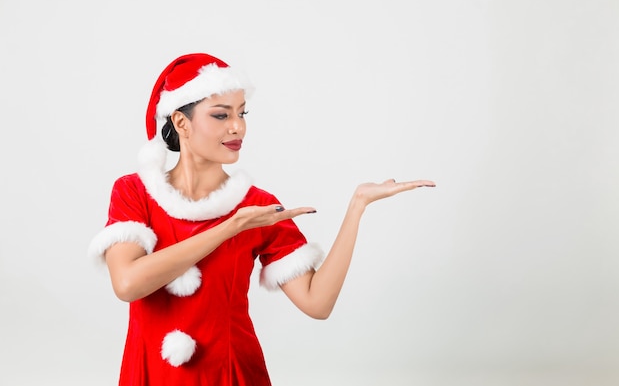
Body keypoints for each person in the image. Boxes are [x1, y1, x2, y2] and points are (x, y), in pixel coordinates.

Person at [89, 52, 435, 386]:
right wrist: (230, 227)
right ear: (181, 123)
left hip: (232, 373)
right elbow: (128, 284)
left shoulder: (259, 206)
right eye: (221, 116)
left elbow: (317, 303)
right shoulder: (135, 193)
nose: (238, 127)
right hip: (151, 373)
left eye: (242, 113)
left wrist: (358, 206)